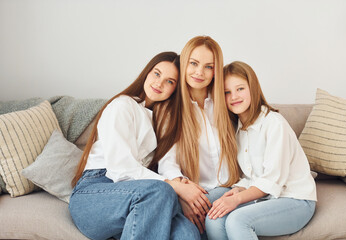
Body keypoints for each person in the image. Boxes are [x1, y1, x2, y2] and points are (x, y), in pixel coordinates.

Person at [69, 51, 201, 240]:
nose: (159, 83)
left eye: (170, 81)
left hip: (138, 200)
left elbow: (168, 165)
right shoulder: (123, 105)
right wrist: (175, 187)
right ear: (147, 73)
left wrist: (179, 190)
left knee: (188, 233)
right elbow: (121, 169)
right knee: (160, 191)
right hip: (94, 195)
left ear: (176, 89)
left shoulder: (165, 121)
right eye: (157, 74)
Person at [205, 61, 317, 240]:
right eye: (227, 92)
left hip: (295, 200)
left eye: (240, 89)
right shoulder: (237, 130)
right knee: (213, 219)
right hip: (265, 198)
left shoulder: (274, 123)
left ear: (252, 88)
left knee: (237, 221)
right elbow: (252, 176)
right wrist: (240, 189)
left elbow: (272, 180)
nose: (234, 96)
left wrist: (237, 199)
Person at [155, 36, 241, 235]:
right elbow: (167, 163)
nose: (199, 72)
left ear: (215, 71)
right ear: (184, 64)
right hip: (197, 193)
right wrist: (184, 195)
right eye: (193, 63)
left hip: (229, 190)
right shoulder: (170, 110)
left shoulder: (228, 102)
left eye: (208, 66)